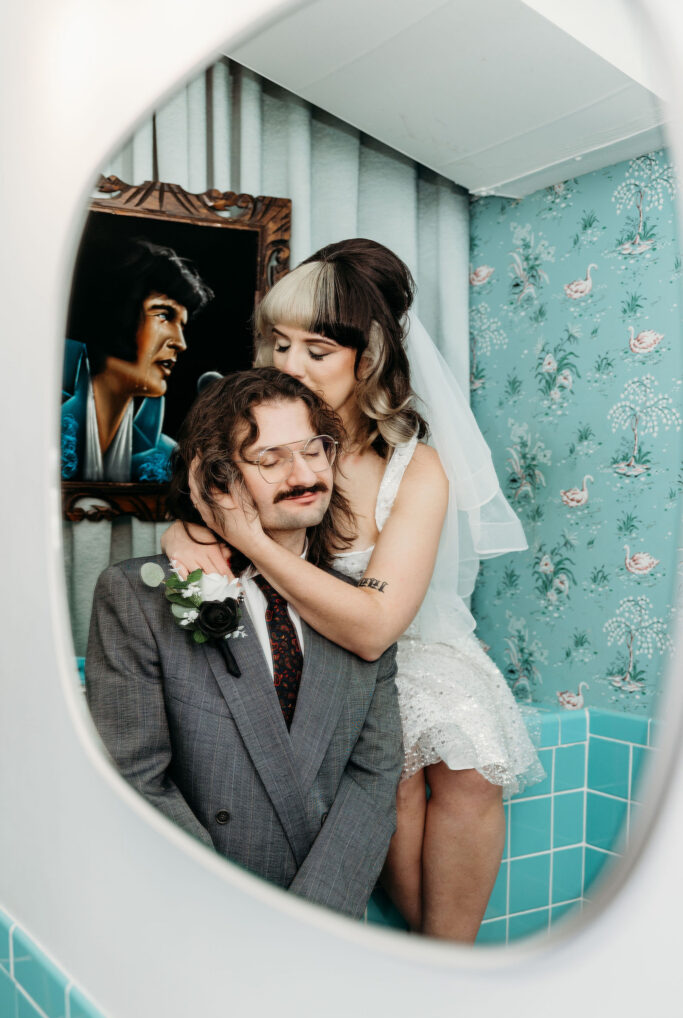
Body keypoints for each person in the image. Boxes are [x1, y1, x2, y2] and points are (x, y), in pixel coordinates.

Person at [163, 238, 544, 942]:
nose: (289, 365)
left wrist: (241, 538)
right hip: (315, 651)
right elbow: (195, 521)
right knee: (389, 770)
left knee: (468, 761)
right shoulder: (256, 447)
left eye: (316, 349)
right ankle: (424, 952)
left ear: (365, 358)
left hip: (411, 640)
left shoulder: (416, 466)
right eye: (277, 344)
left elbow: (379, 626)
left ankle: (449, 956)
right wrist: (188, 535)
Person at [86, 368, 403, 919]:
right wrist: (230, 913)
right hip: (198, 911)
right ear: (218, 482)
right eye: (270, 458)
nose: (303, 473)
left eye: (313, 450)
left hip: (327, 922)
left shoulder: (358, 611)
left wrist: (316, 917)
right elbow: (134, 778)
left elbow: (373, 778)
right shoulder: (137, 596)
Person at [62, 238, 213, 482]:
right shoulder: (39, 432)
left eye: (182, 326)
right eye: (164, 315)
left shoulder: (164, 459)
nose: (180, 343)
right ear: (116, 312)